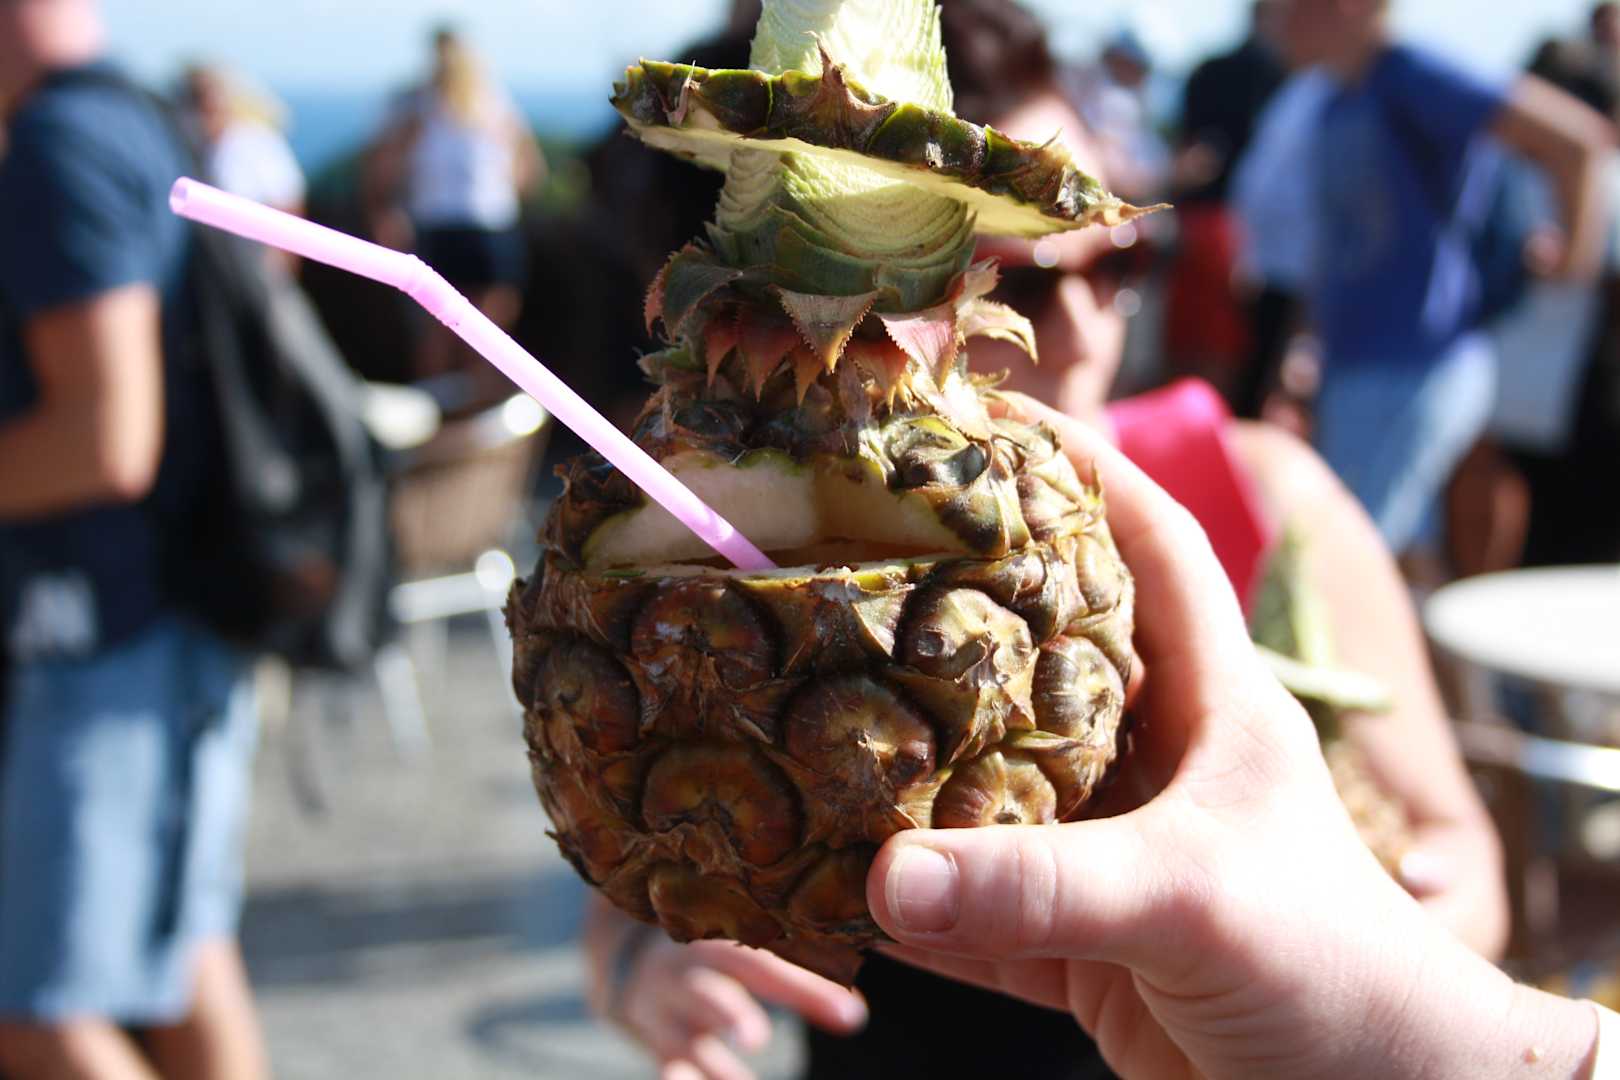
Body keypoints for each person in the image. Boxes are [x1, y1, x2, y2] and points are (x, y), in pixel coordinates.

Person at [579, 6, 1509, 1077]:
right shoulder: (713, 557)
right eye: (1017, 281)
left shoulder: (1262, 489)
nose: (1084, 328)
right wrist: (640, 969)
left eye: (1116, 263)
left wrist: (1379, 983)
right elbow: (632, 862)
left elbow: (1466, 856)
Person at [0, 1, 267, 1078]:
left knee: (35, 1017)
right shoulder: (135, 113)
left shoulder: (57, 141)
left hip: (105, 635)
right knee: (186, 960)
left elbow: (105, 439)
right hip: (174, 618)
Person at [1276, 0, 1613, 565]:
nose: (1278, 18)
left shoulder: (1416, 72)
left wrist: (1573, 260)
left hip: (1415, 362)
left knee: (1340, 562)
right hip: (1353, 366)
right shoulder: (1335, 102)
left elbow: (1576, 141)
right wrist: (1303, 347)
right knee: (1393, 558)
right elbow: (1334, 247)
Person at [364, 24, 546, 405]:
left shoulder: (472, 102)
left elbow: (383, 167)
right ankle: (454, 411)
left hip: (465, 225)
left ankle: (459, 410)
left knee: (470, 328)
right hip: (475, 225)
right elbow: (528, 165)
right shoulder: (453, 103)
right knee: (463, 329)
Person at [1163, 0, 1288, 401]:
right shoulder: (1285, 78)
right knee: (1218, 352)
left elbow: (1185, 150)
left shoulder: (1208, 69)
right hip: (1229, 231)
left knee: (1189, 345)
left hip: (1197, 223)